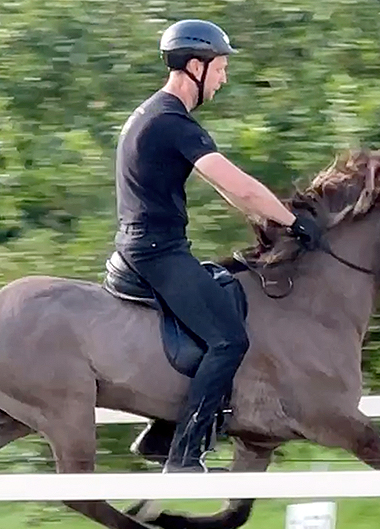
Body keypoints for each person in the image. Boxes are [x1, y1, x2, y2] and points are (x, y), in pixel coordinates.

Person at [113, 18, 321, 473]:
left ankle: (161, 432)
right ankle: (184, 455)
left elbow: (228, 190)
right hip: (155, 253)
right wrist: (295, 223)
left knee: (227, 289)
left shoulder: (156, 114)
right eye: (221, 67)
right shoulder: (172, 121)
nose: (224, 78)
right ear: (195, 67)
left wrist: (268, 221)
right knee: (229, 338)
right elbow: (239, 183)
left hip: (149, 246)